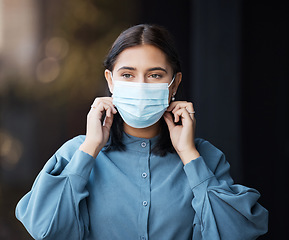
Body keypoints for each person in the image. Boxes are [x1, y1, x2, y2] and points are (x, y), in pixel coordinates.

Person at [15, 24, 268, 240]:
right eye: (127, 74)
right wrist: (91, 148)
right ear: (110, 80)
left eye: (155, 75)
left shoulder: (205, 157)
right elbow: (44, 229)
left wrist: (189, 155)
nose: (140, 85)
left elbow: (236, 232)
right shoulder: (76, 153)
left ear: (175, 83)